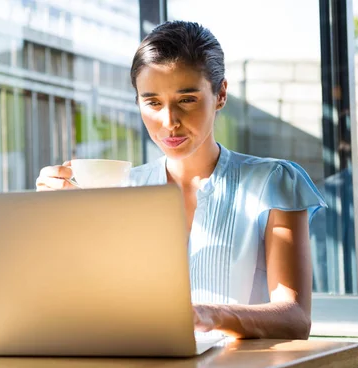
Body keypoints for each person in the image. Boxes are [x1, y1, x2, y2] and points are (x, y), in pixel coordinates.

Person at [35, 21, 326, 340]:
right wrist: (58, 222)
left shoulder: (274, 181)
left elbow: (295, 318)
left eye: (186, 99)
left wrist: (206, 314)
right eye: (153, 102)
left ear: (220, 94)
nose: (169, 121)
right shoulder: (118, 190)